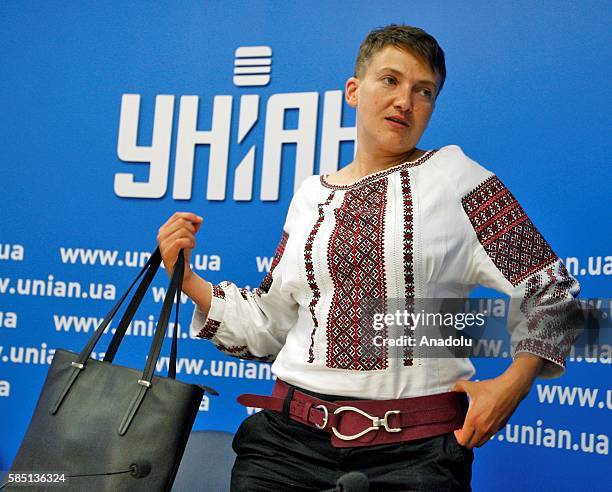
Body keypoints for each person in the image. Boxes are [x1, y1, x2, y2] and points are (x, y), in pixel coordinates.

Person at [157, 24, 581, 491]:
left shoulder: (459, 180)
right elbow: (273, 323)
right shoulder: (311, 195)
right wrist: (188, 280)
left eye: (424, 91)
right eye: (391, 80)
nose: (405, 101)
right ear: (354, 91)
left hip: (414, 457)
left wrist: (512, 385)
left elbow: (553, 293)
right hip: (285, 447)